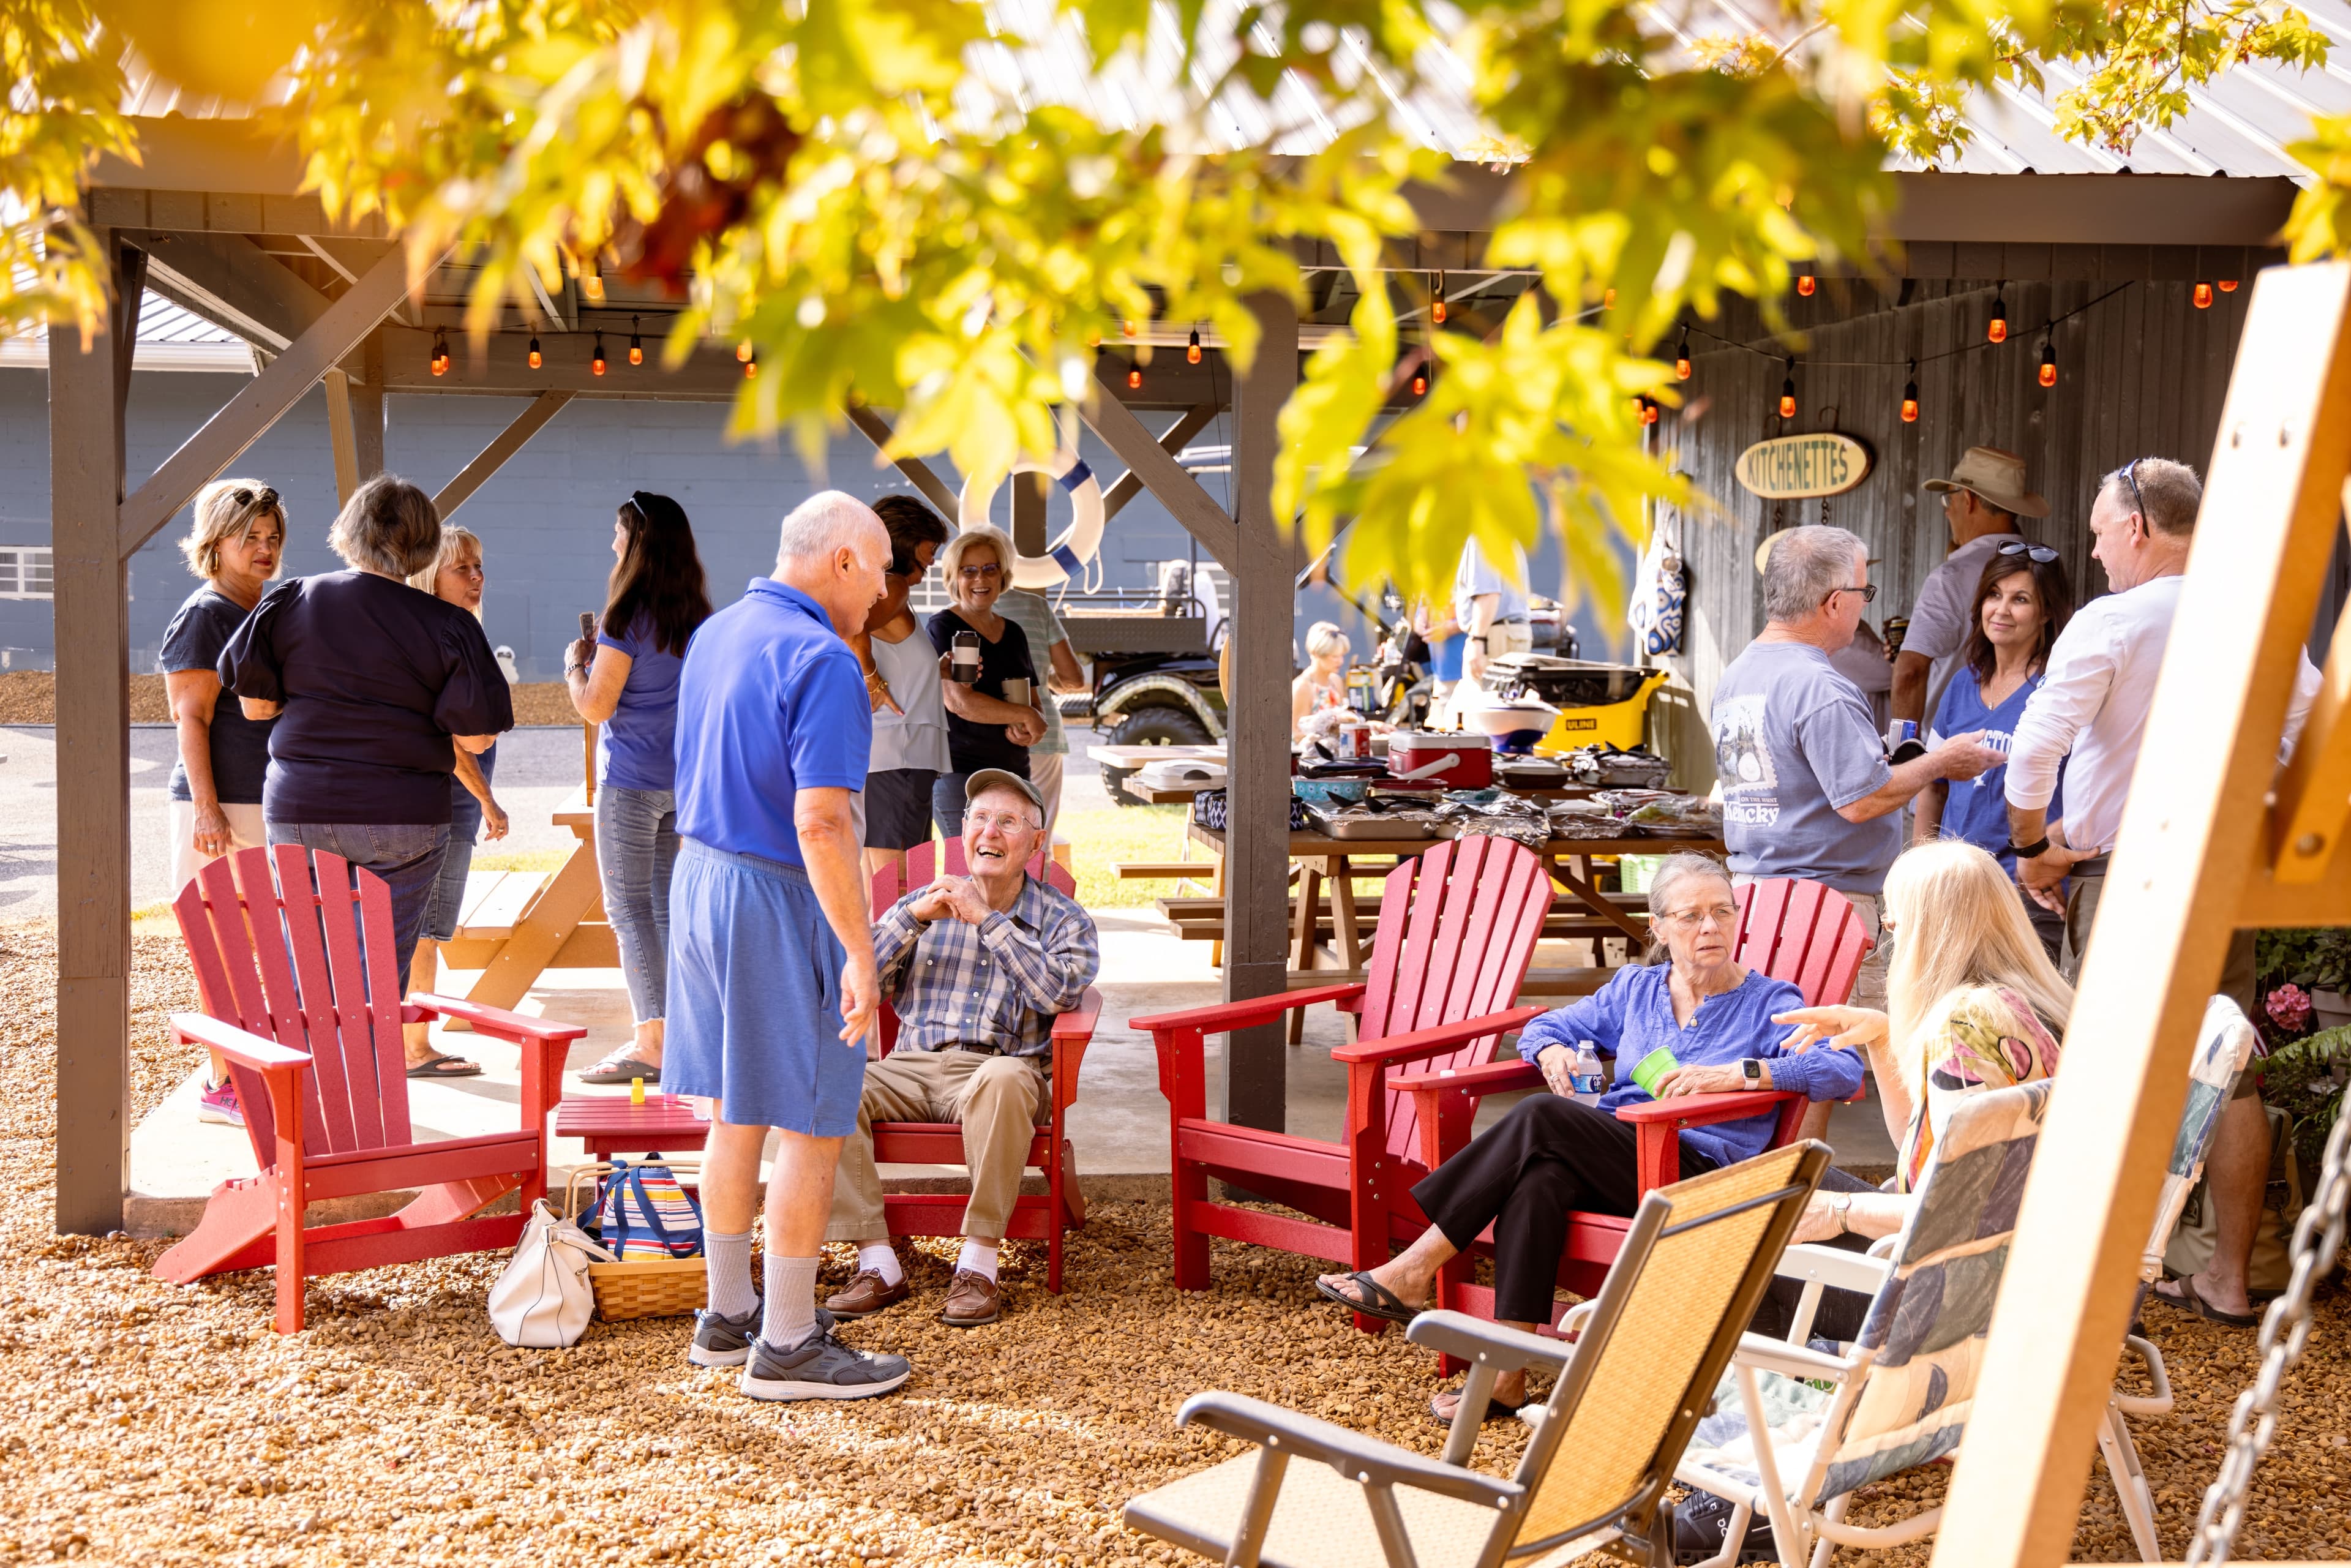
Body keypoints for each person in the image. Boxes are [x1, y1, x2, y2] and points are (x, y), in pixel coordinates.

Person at [1313, 853, 1862, 1420]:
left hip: (1705, 1173)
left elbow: (1839, 1069)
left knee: (1543, 1118)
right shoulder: (1636, 989)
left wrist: (1737, 1074)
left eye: (1722, 911)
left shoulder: (1772, 1001)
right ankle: (1505, 1375)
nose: (1710, 927)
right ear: (1659, 926)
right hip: (1625, 1162)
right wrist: (1550, 1050)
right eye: (1691, 915)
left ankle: (1414, 1267)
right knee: (1540, 1179)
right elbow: (1545, 1026)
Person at [2006, 457, 2320, 1327]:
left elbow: (2036, 750)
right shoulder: (2255, 616)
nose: (2099, 551)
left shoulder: (2111, 619)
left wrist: (2033, 845)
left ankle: (2088, 1287)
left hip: (2126, 874)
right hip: (2220, 875)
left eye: (2104, 531)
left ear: (2138, 528)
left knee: (2107, 1068)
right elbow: (2315, 741)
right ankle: (2225, 1275)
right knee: (2231, 1070)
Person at [667, 490, 911, 1403]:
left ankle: (727, 1317)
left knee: (737, 1107)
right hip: (775, 892)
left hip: (700, 877)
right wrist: (860, 950)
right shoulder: (824, 658)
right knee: (813, 1120)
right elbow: (821, 821)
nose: (885, 589)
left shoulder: (718, 631)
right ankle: (792, 1344)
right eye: (882, 567)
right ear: (843, 560)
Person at [219, 475, 511, 1017]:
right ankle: (364, 1090)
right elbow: (474, 737)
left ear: (350, 531)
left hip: (300, 808)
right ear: (424, 546)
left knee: (309, 972)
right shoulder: (448, 624)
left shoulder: (291, 599)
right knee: (374, 983)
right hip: (402, 816)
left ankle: (308, 1091)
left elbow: (256, 707)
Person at [1756, 839, 2071, 1341]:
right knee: (1774, 1182)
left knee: (1738, 1247)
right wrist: (1882, 1039)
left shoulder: (1963, 1025)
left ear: (1928, 933)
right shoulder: (2027, 1004)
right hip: (2026, 1268)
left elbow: (1955, 1205)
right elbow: (1926, 1149)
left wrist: (1841, 1212)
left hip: (1953, 1298)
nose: (1889, 942)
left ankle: (1781, 1404)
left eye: (1895, 924)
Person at [823, 770, 1100, 1327]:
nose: (989, 831)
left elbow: (1059, 991)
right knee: (821, 1079)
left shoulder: (1063, 919)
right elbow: (855, 979)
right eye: (978, 818)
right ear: (963, 831)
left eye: (1007, 821)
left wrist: (988, 920)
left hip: (996, 1072)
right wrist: (910, 918)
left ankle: (977, 1264)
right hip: (907, 1067)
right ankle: (878, 1262)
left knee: (1003, 1079)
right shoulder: (921, 905)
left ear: (1034, 843)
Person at [1711, 525, 2004, 1008]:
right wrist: (1940, 762)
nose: (1865, 603)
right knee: (1845, 1065)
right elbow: (1862, 801)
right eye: (1862, 592)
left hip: (1754, 904)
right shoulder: (1819, 687)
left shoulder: (1740, 672)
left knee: (1778, 1060)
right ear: (1833, 603)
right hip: (1823, 913)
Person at [564, 492, 713, 1085]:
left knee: (628, 911)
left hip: (629, 783)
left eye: (619, 536)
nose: (612, 545)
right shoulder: (701, 620)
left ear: (639, 545)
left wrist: (577, 664)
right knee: (668, 910)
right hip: (683, 784)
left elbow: (597, 705)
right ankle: (682, 1034)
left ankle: (650, 1041)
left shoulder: (624, 620)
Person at [160, 478, 285, 1127]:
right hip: (217, 806)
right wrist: (207, 810)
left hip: (262, 801)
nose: (264, 548)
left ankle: (248, 1074)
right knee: (222, 947)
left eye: (272, 537)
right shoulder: (206, 613)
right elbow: (190, 715)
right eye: (250, 537)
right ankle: (220, 1083)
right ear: (217, 542)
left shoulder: (262, 607)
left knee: (262, 946)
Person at [1914, 544, 2075, 959]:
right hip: (1952, 888)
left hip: (2025, 894)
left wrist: (2039, 854)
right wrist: (1919, 867)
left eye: (2020, 599)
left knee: (2019, 1021)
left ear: (2045, 613)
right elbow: (1933, 787)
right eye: (1994, 594)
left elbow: (2089, 795)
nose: (2001, 609)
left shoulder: (2059, 692)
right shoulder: (1962, 685)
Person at [400, 525, 511, 1079]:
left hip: (448, 802)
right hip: (443, 801)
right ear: (429, 577)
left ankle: (411, 1040)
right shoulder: (437, 638)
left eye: (479, 566)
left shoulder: (455, 632)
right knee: (425, 927)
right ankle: (414, 1047)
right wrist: (488, 800)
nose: (476, 578)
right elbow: (455, 738)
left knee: (428, 928)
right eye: (461, 568)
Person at [1892, 446, 2044, 727]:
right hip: (2031, 733)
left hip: (1951, 739)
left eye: (1948, 501)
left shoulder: (1951, 577)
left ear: (1969, 499)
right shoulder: (2047, 567)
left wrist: (1904, 753)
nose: (1948, 513)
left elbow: (1910, 671)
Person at [854, 495, 956, 886]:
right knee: (897, 885)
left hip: (896, 759)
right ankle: (893, 950)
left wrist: (935, 670)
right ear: (908, 541)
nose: (933, 559)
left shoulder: (886, 588)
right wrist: (871, 679)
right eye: (931, 546)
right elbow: (854, 627)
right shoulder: (893, 585)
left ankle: (874, 950)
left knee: (879, 886)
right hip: (898, 757)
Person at [926, 525, 1045, 838]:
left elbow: (1035, 706)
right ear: (954, 578)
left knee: (1014, 868)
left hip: (1014, 773)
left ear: (1002, 576)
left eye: (990, 569)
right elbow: (960, 703)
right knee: (969, 869)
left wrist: (1029, 728)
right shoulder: (943, 627)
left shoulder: (1015, 633)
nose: (981, 579)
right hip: (960, 773)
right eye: (969, 571)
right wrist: (1025, 716)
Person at [995, 582, 1086, 841]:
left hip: (987, 732)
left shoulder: (959, 611)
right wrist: (1044, 677)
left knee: (993, 837)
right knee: (1037, 837)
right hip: (1042, 731)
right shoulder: (1037, 606)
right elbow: (1074, 678)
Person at [1454, 535, 1531, 694]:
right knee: (1508, 711)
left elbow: (1489, 594)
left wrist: (1477, 639)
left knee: (1483, 709)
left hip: (1495, 635)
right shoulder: (1504, 534)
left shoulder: (1480, 538)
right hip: (1510, 632)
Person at [1290, 620, 1350, 740]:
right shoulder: (1303, 687)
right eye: (1335, 656)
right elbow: (1297, 735)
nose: (1341, 661)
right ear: (1317, 654)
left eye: (1342, 656)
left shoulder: (1336, 681)